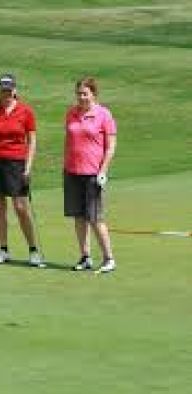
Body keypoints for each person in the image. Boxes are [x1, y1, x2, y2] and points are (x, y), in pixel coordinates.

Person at [0, 73, 43, 266]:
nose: (5, 93)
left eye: (8, 89)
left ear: (15, 90)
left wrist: (28, 166)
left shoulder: (25, 111)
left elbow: (32, 141)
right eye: (2, 89)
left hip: (17, 163)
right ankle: (3, 249)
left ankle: (33, 250)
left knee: (21, 208)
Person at [64, 77, 117, 273]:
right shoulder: (71, 113)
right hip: (72, 171)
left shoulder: (103, 115)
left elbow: (111, 146)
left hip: (93, 173)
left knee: (95, 218)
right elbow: (68, 141)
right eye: (78, 93)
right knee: (78, 216)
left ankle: (109, 258)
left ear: (94, 94)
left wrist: (103, 171)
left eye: (85, 93)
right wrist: (66, 163)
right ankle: (85, 256)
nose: (81, 97)